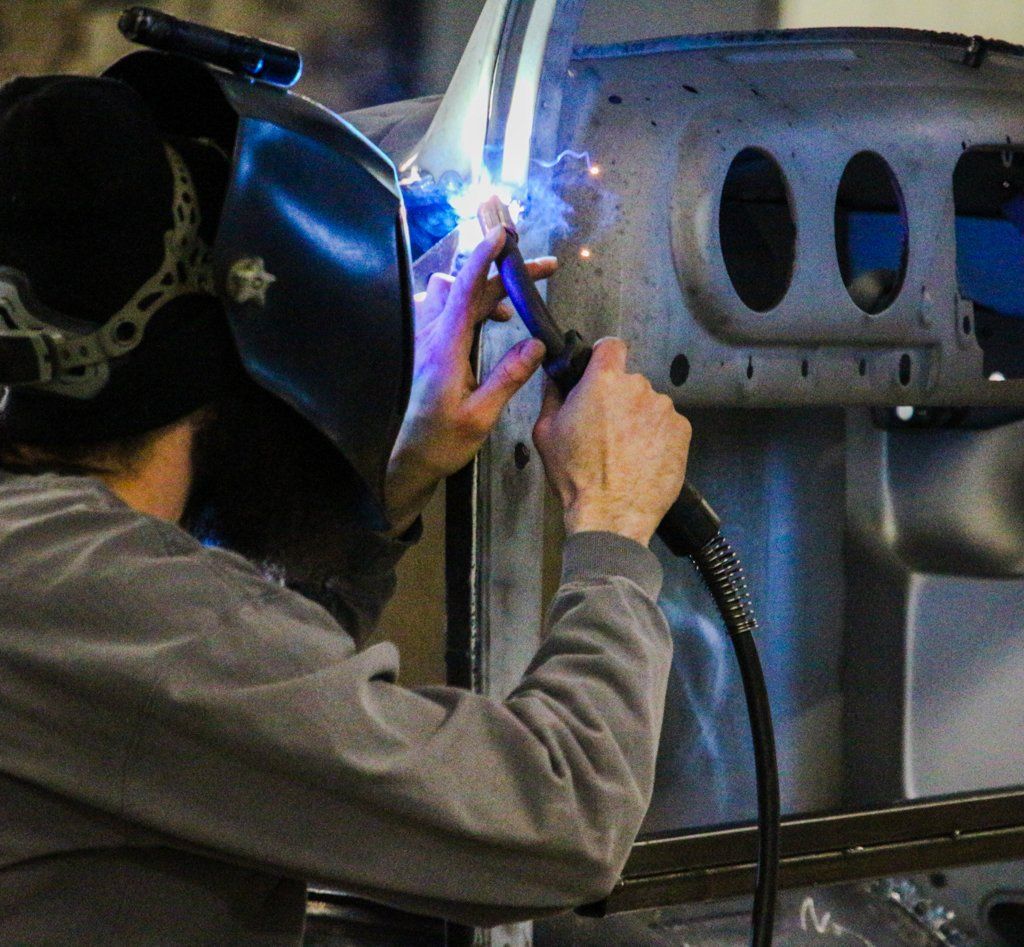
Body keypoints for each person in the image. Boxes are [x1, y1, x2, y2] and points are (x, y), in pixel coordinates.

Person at [0, 72, 691, 944]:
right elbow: (560, 818)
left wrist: (393, 482)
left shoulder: (45, 565)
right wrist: (612, 525)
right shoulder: (98, 598)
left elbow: (232, 719)